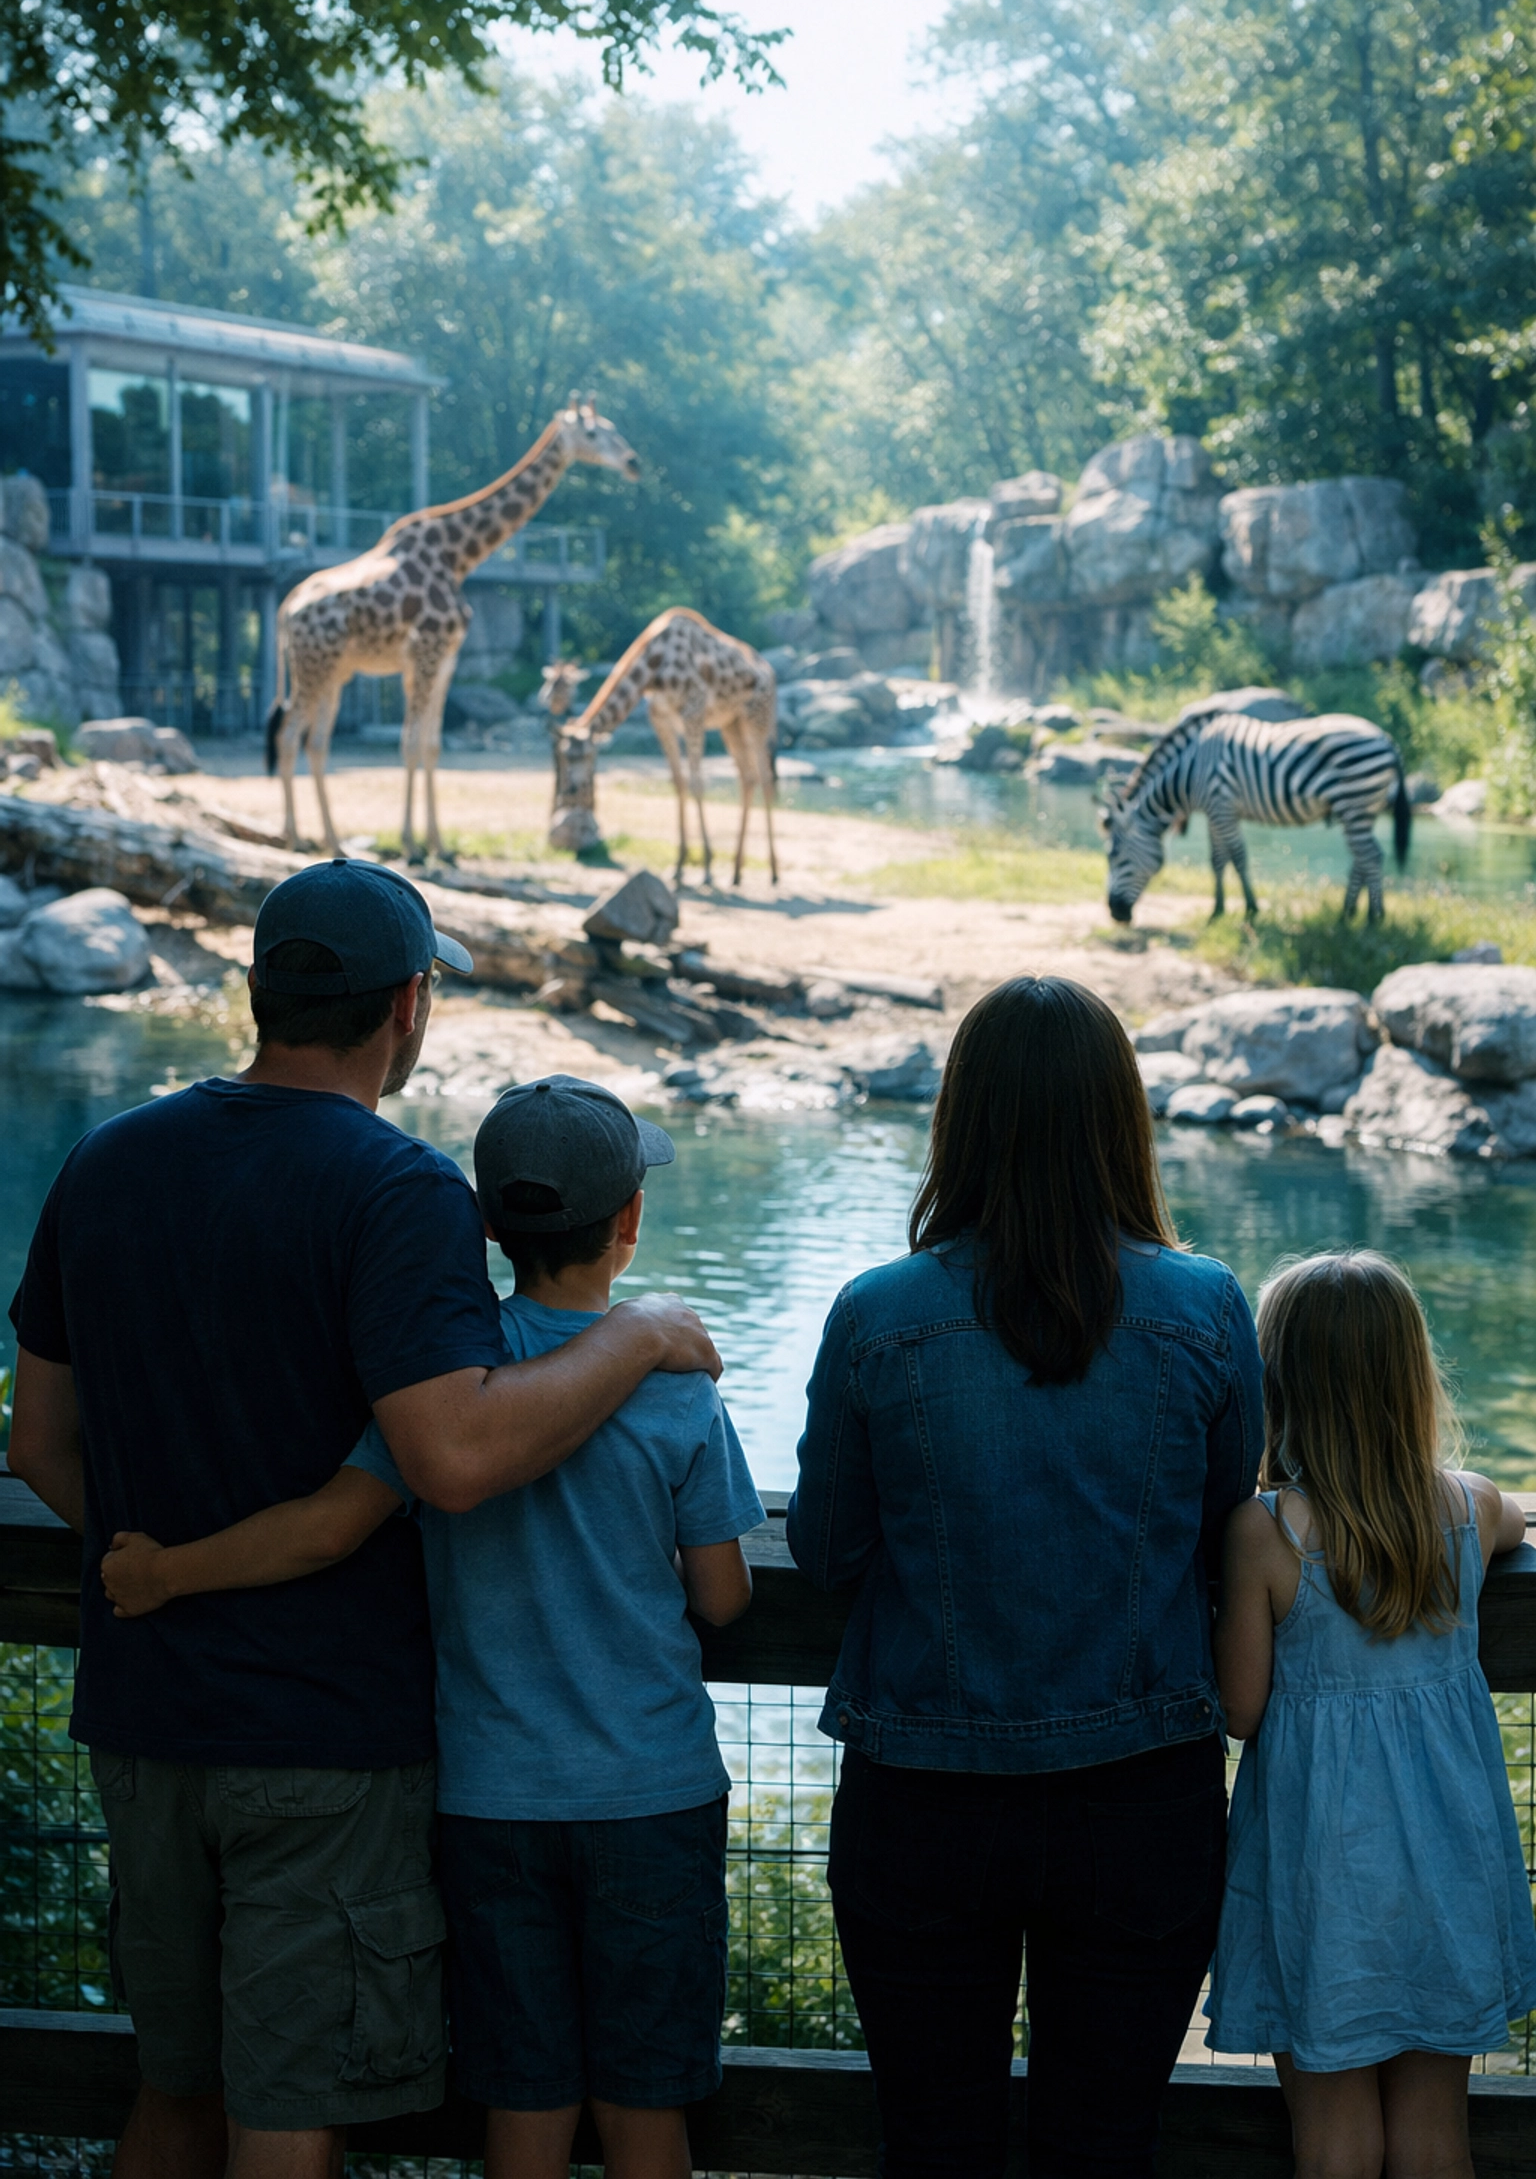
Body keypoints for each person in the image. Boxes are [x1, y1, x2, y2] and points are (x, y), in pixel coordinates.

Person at [7, 865, 720, 2179]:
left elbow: (39, 1443)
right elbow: (449, 1458)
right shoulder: (400, 1193)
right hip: (321, 1738)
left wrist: (173, 1565)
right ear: (408, 1006)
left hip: (144, 1717)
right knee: (287, 2117)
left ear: (262, 993)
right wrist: (636, 1336)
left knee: (175, 2096)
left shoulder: (107, 1160)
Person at [101, 1071, 764, 2179]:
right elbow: (725, 1597)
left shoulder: (445, 1382)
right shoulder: (680, 1391)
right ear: (629, 1225)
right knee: (646, 2105)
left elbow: (326, 1527)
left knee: (525, 2099)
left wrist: (169, 1572)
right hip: (652, 1795)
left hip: (487, 1799)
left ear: (490, 1223)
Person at [785, 974, 1264, 2179]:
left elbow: (829, 1547)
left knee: (933, 2148)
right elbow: (1228, 1533)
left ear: (962, 1117)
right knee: (1102, 2150)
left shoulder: (878, 1314)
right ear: (1122, 1119)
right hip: (1142, 1796)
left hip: (922, 1800)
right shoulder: (1207, 1308)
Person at [1206, 1250, 1536, 2179]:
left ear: (1278, 1380)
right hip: (1447, 1862)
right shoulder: (1468, 1511)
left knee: (1334, 2141)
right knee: (1436, 2138)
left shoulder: (1264, 1534)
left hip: (1320, 1870)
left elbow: (1239, 1710)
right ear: (1410, 1377)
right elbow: (1517, 1518)